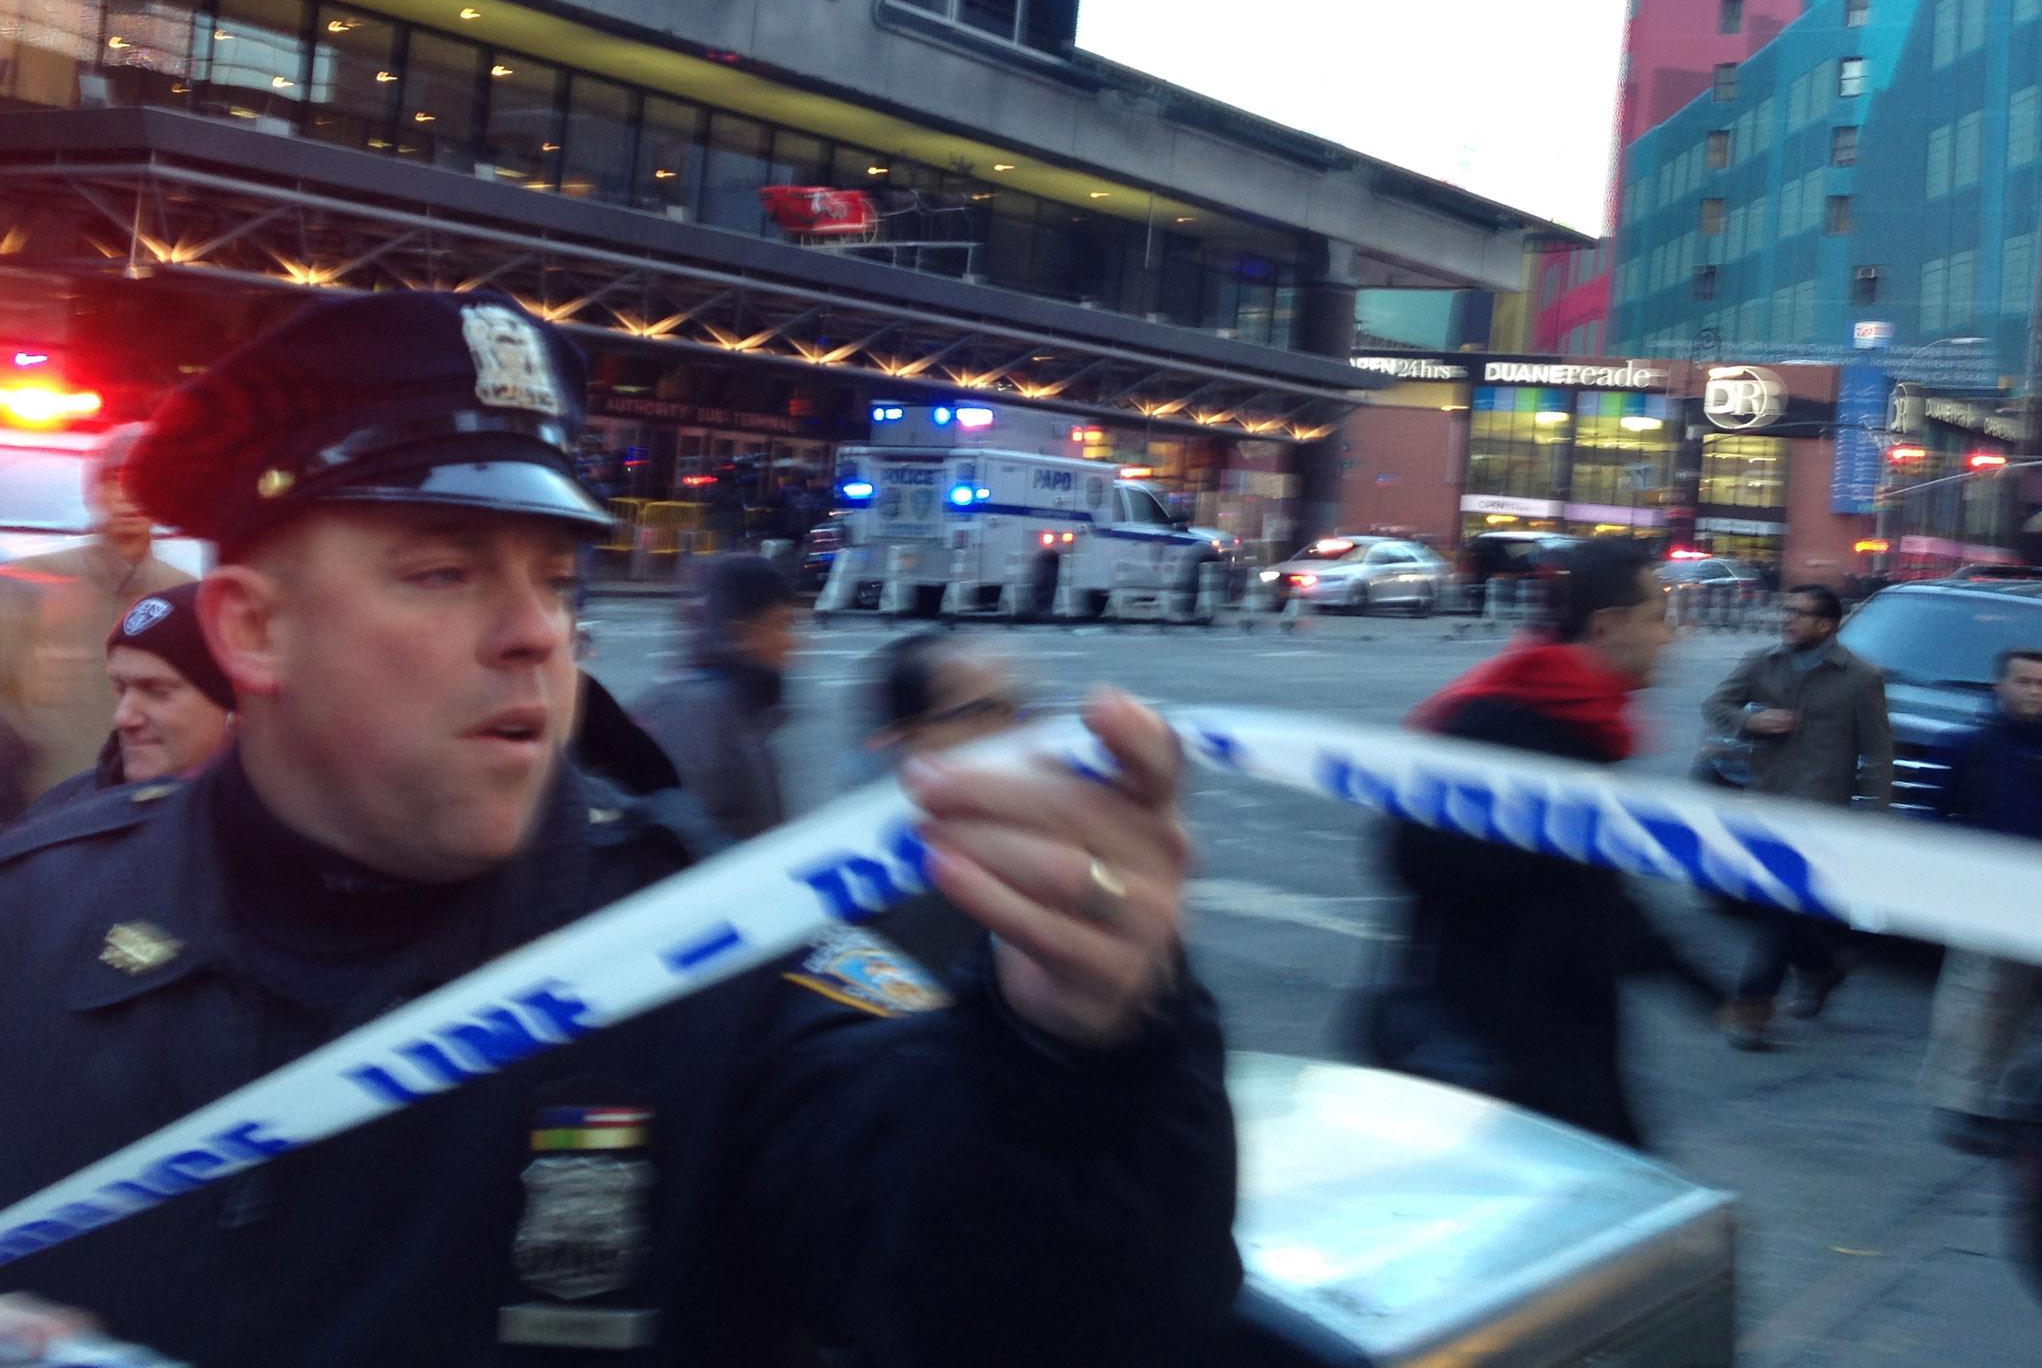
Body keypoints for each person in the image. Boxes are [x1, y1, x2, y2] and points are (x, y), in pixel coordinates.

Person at [0, 291, 1238, 1366]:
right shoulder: (36, 922)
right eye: (443, 571)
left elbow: (1005, 1307)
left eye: (553, 576)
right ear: (253, 631)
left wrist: (1083, 1069)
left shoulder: (715, 957)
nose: (536, 633)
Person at [1357, 538, 1723, 1149]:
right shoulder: (1501, 723)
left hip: (1562, 1041)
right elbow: (1409, 856)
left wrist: (1700, 985)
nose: (1672, 637)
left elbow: (1600, 896)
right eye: (1660, 617)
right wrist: (1527, 833)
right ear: (1607, 628)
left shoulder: (1586, 728)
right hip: (1496, 1056)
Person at [1704, 583, 1892, 1049]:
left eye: (1799, 613)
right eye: (1786, 610)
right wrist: (1752, 721)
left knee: (1779, 909)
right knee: (1775, 905)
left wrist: (1875, 817)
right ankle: (1825, 965)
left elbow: (1879, 755)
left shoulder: (1860, 678)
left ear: (1826, 625)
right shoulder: (1763, 662)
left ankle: (1752, 1010)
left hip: (1820, 811)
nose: (1787, 619)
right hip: (1764, 801)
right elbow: (1715, 705)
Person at [0, 425, 193, 799]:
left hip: (149, 808)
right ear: (94, 492)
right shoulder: (31, 582)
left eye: (145, 481)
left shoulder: (182, 594)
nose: (129, 496)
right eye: (114, 479)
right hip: (48, 810)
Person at [1918, 648, 2042, 1156]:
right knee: (1976, 1003)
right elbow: (1928, 821)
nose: (2036, 692)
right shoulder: (1967, 746)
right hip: (1983, 896)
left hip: (2038, 896)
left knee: (2014, 1008)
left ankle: (1991, 1101)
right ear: (2001, 687)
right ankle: (1959, 1106)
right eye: (2025, 682)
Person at [845, 630, 1030, 974]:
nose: (1016, 729)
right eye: (986, 711)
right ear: (912, 737)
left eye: (1017, 709)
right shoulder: (884, 885)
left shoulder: (1021, 844)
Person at [24, 581, 235, 816]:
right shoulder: (56, 818)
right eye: (121, 689)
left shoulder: (269, 837)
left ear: (234, 705)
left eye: (157, 692)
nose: (123, 717)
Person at [634, 555, 798, 843]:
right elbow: (672, 840)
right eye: (781, 624)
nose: (792, 641)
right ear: (743, 632)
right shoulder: (696, 713)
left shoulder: (740, 704)